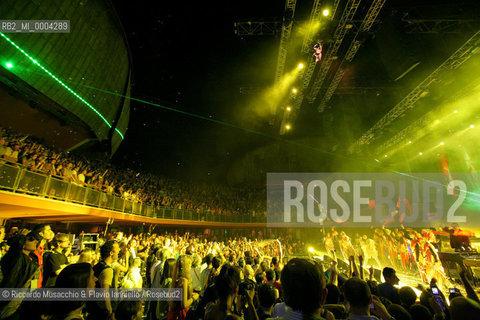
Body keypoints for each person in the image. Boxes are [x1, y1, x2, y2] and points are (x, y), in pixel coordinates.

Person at [0, 230, 41, 319]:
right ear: (22, 243)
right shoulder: (15, 259)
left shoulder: (32, 260)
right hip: (12, 303)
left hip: (23, 302)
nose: (36, 242)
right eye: (31, 239)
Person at [86, 240, 120, 320]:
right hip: (102, 312)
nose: (119, 250)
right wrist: (110, 311)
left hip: (94, 309)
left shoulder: (98, 265)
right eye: (117, 249)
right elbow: (105, 292)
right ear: (111, 253)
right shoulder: (107, 270)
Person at [168, 255, 196, 320]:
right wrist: (194, 298)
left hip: (175, 313)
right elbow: (184, 304)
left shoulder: (176, 279)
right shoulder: (184, 281)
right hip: (182, 314)